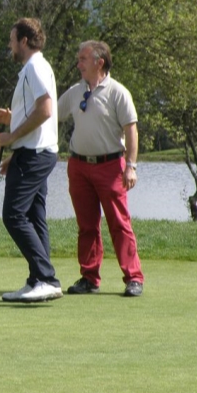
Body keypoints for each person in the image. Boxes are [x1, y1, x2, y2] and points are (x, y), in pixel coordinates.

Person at [57, 40, 144, 297]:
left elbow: (131, 129)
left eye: (83, 59)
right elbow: (50, 113)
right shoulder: (75, 92)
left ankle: (134, 278)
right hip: (79, 166)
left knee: (119, 223)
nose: (78, 63)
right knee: (87, 226)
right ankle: (89, 278)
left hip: (110, 166)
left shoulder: (118, 92)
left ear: (99, 62)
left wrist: (131, 166)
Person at [0, 17, 62, 303]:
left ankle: (46, 277)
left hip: (36, 153)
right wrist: (16, 147)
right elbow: (37, 110)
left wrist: (10, 138)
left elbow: (45, 109)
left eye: (11, 39)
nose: (9, 45)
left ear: (23, 40)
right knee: (34, 216)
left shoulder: (34, 67)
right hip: (34, 152)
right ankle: (38, 279)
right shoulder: (33, 68)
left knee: (13, 215)